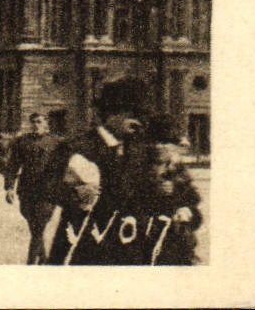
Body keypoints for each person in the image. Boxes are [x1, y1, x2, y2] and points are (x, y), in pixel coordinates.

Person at [41, 78, 148, 265]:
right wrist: (74, 194)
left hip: (127, 242)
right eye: (131, 115)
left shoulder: (137, 150)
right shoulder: (77, 146)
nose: (137, 122)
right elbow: (46, 185)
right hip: (83, 239)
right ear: (111, 114)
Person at [128, 114, 203, 265]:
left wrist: (185, 210)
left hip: (178, 246)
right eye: (156, 142)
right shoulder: (137, 170)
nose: (160, 147)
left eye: (166, 143)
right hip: (146, 243)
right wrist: (154, 190)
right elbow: (130, 203)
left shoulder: (178, 172)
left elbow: (195, 210)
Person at [4, 112, 62, 263]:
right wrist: (9, 187)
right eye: (33, 122)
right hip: (27, 191)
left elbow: (64, 168)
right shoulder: (22, 142)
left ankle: (30, 264)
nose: (36, 125)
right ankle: (43, 259)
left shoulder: (56, 143)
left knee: (39, 227)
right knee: (34, 226)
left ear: (46, 124)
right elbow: (12, 165)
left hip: (48, 191)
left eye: (39, 122)